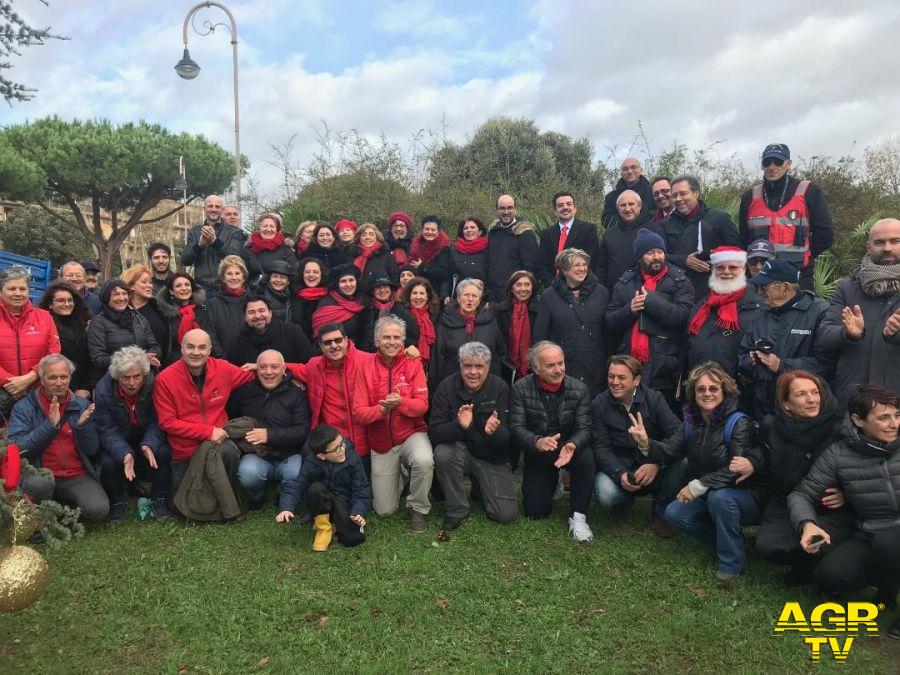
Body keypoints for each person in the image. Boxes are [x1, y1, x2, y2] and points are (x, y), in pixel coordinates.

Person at [635, 362, 764, 586]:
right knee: (674, 513)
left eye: (713, 388)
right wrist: (646, 444)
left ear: (724, 391)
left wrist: (698, 485)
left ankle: (731, 564)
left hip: (746, 495)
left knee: (720, 498)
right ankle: (732, 541)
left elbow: (735, 472)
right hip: (710, 492)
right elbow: (670, 451)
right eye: (701, 389)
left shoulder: (739, 423)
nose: (707, 394)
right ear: (693, 393)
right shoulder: (690, 423)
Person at [788, 384, 900, 638]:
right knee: (830, 575)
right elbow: (801, 494)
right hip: (871, 533)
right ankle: (888, 585)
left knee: (890, 543)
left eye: (897, 415)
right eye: (883, 417)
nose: (894, 423)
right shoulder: (839, 453)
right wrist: (807, 523)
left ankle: (888, 592)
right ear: (858, 420)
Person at [753, 371, 852, 585]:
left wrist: (847, 494)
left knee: (821, 544)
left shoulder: (839, 430)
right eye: (801, 394)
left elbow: (861, 469)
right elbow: (763, 452)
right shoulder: (771, 426)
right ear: (786, 404)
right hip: (785, 501)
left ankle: (821, 565)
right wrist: (751, 461)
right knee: (767, 547)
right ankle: (804, 560)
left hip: (828, 506)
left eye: (815, 392)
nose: (811, 399)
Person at [351, 316, 433, 532]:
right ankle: (404, 473)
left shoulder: (413, 362)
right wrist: (382, 409)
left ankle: (418, 509)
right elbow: (359, 413)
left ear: (403, 340)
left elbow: (422, 406)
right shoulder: (364, 365)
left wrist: (400, 403)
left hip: (411, 434)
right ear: (377, 340)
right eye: (386, 337)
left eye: (397, 337)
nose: (391, 342)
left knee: (424, 459)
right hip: (380, 442)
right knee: (384, 511)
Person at [509, 341, 594, 541]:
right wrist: (536, 441)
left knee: (586, 457)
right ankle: (554, 482)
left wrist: (573, 444)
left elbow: (585, 428)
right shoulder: (520, 388)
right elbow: (516, 428)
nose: (558, 370)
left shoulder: (579, 388)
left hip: (569, 449)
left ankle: (578, 516)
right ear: (535, 368)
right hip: (540, 452)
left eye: (560, 363)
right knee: (535, 512)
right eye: (550, 365)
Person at [591, 356, 683, 537]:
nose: (614, 382)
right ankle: (624, 500)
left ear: (637, 380)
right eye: (611, 376)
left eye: (621, 377)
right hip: (622, 465)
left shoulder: (654, 399)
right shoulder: (599, 404)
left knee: (684, 463)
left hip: (653, 463)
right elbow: (601, 447)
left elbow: (678, 436)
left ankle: (661, 512)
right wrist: (619, 474)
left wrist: (657, 462)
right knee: (606, 493)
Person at [152, 329, 254, 492]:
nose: (196, 352)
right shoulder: (165, 379)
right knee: (185, 504)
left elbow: (261, 375)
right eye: (190, 347)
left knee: (230, 451)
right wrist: (208, 432)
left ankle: (229, 493)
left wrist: (264, 367)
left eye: (202, 347)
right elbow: (167, 423)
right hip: (185, 448)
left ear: (209, 349)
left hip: (218, 443)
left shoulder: (223, 369)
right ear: (182, 348)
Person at [8, 354, 107, 522]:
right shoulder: (24, 407)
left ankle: (58, 509)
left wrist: (83, 427)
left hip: (75, 474)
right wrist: (49, 426)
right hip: (40, 473)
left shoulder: (81, 404)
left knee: (99, 509)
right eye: (52, 377)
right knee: (39, 484)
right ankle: (38, 518)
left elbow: (92, 449)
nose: (59, 382)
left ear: (70, 378)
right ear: (42, 379)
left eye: (64, 377)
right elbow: (18, 449)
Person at [430, 342, 517, 531]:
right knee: (443, 452)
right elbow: (434, 433)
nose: (473, 372)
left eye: (479, 366)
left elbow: (507, 438)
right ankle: (457, 509)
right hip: (461, 454)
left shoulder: (500, 387)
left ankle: (480, 487)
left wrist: (493, 431)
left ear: (488, 366)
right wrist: (459, 425)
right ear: (459, 364)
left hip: (492, 457)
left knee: (505, 515)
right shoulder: (445, 387)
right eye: (467, 366)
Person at [605, 228, 694, 413]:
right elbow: (610, 322)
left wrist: (651, 301)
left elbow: (683, 317)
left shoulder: (680, 281)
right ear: (639, 256)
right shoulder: (625, 282)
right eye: (650, 252)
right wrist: (630, 310)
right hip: (631, 365)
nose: (656, 257)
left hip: (666, 366)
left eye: (660, 252)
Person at [819, 218, 900, 407]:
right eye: (879, 242)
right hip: (853, 399)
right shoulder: (847, 287)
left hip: (895, 401)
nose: (887, 248)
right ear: (869, 246)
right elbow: (824, 336)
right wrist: (847, 333)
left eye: (895, 241)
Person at [740, 259, 831, 419]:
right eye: (758, 287)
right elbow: (742, 357)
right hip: (763, 410)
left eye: (764, 287)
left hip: (802, 413)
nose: (760, 292)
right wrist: (751, 360)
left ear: (785, 288)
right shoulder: (760, 314)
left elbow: (826, 364)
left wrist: (781, 365)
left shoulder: (820, 313)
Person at [739, 143, 834, 290]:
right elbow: (743, 239)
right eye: (767, 162)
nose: (772, 167)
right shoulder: (749, 197)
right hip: (760, 275)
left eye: (778, 161)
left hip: (797, 275)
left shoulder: (809, 191)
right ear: (762, 166)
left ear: (788, 164)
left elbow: (826, 234)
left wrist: (806, 257)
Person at [94, 346, 172, 523]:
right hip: (119, 434)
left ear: (144, 373)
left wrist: (148, 444)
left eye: (136, 377)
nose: (132, 383)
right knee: (109, 461)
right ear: (116, 376)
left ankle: (159, 498)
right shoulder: (103, 389)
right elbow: (106, 428)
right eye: (125, 378)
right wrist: (125, 453)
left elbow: (159, 419)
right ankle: (117, 501)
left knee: (163, 452)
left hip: (147, 431)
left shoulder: (156, 383)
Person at [228, 349, 310, 509]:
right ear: (256, 369)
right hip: (257, 455)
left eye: (274, 367)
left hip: (289, 454)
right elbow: (231, 420)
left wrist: (269, 435)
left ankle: (284, 495)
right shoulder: (245, 391)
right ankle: (256, 497)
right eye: (263, 367)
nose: (268, 372)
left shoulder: (297, 392)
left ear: (284, 369)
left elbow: (303, 430)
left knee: (296, 473)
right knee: (248, 473)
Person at [284, 323, 370, 473]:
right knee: (309, 455)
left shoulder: (366, 361)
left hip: (363, 435)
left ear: (346, 340)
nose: (334, 346)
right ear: (321, 346)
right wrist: (259, 366)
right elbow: (294, 368)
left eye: (338, 340)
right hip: (330, 434)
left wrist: (408, 352)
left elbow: (391, 361)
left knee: (360, 482)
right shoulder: (314, 366)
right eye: (327, 342)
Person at [276, 425, 370, 551]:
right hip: (320, 501)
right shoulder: (311, 462)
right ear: (321, 456)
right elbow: (297, 485)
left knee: (353, 539)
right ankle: (323, 528)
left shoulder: (353, 459)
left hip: (342, 503)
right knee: (316, 488)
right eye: (336, 449)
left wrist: (358, 512)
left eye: (342, 443)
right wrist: (286, 508)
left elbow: (361, 489)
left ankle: (335, 525)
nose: (342, 449)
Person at [534, 248, 609, 397]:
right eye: (576, 265)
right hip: (563, 368)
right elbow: (540, 335)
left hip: (594, 367)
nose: (582, 269)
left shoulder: (601, 292)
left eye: (584, 264)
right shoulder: (549, 296)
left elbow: (609, 331)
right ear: (564, 270)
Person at [662, 175, 743, 300]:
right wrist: (684, 261)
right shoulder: (665, 225)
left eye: (683, 193)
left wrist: (718, 261)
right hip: (679, 293)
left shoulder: (720, 218)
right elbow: (660, 256)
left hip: (715, 291)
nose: (678, 199)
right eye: (674, 195)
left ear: (696, 193)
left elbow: (737, 252)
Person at [686, 246, 761, 376]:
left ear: (743, 269)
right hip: (701, 387)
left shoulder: (759, 307)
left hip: (740, 388)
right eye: (720, 267)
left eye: (733, 267)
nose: (726, 272)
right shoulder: (701, 307)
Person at [0, 266, 60, 419]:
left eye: (23, 288)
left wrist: (30, 377)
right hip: (3, 392)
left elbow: (53, 351)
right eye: (12, 288)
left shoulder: (44, 317)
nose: (18, 293)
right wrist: (10, 383)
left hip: (38, 389)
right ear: (1, 291)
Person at [429, 279, 503, 389]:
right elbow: (437, 358)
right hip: (452, 385)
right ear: (458, 298)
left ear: (479, 300)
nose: (470, 299)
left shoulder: (490, 322)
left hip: (486, 385)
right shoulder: (445, 322)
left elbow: (500, 354)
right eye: (466, 295)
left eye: (474, 296)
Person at [87, 279, 161, 384]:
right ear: (107, 298)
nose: (121, 298)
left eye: (124, 293)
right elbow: (98, 358)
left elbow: (154, 346)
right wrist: (137, 360)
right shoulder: (98, 322)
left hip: (142, 380)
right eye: (116, 294)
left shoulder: (138, 318)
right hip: (112, 382)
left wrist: (150, 356)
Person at [596, 189, 662, 291]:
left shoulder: (654, 230)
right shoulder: (609, 234)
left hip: (647, 292)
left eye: (631, 204)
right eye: (623, 205)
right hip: (614, 293)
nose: (627, 209)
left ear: (640, 206)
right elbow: (601, 267)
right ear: (617, 209)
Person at [181, 194, 247, 293]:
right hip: (201, 289)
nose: (214, 209)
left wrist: (215, 241)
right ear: (204, 208)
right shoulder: (195, 231)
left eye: (217, 207)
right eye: (210, 206)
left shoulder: (234, 232)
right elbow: (185, 260)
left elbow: (236, 257)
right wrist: (199, 245)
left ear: (222, 210)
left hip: (225, 288)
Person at [38, 282, 91, 398]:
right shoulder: (42, 325)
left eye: (70, 300)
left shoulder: (81, 325)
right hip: (53, 388)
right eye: (61, 300)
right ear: (50, 304)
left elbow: (87, 360)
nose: (67, 304)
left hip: (79, 389)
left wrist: (85, 387)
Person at [537, 192, 600, 288]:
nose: (565, 207)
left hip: (580, 289)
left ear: (575, 209)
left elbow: (592, 261)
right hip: (554, 288)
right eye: (560, 205)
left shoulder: (588, 230)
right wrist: (552, 285)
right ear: (555, 211)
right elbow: (542, 264)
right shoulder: (546, 234)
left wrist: (579, 286)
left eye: (569, 204)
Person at [226, 296, 313, 366]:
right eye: (251, 312)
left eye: (261, 310)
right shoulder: (237, 343)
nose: (257, 316)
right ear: (245, 317)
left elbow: (309, 364)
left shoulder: (293, 332)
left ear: (270, 313)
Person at [487, 195, 540, 304]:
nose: (506, 212)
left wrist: (523, 293)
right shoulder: (493, 232)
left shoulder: (525, 234)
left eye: (510, 208)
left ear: (515, 209)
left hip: (516, 295)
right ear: (497, 210)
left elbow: (531, 269)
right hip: (494, 295)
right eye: (502, 208)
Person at [122, 264, 175, 366]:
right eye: (144, 282)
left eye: (150, 282)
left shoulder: (159, 307)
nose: (150, 285)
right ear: (131, 286)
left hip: (164, 366)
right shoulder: (124, 313)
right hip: (138, 369)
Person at [155, 272, 211, 364]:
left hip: (204, 360)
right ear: (171, 291)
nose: (184, 288)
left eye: (187, 284)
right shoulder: (165, 314)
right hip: (175, 363)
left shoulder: (203, 310)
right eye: (178, 286)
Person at [494, 270, 538, 383]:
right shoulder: (500, 311)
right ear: (512, 289)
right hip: (506, 364)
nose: (523, 289)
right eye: (518, 285)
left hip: (534, 365)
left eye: (527, 285)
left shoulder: (540, 310)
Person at [311, 263, 368, 347]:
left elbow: (367, 334)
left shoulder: (362, 301)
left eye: (351, 280)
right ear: (337, 285)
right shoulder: (326, 305)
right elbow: (321, 339)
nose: (348, 285)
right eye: (343, 281)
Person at [205, 255, 250, 357]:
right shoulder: (212, 304)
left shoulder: (253, 301)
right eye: (229, 274)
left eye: (237, 273)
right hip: (223, 363)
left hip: (251, 362)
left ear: (243, 277)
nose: (234, 277)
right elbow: (210, 335)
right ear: (223, 278)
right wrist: (221, 359)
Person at [361, 275, 418, 349]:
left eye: (385, 286)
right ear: (372, 291)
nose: (382, 290)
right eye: (378, 287)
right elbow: (363, 338)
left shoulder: (401, 309)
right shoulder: (366, 312)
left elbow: (413, 334)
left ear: (391, 289)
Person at [242, 212, 295, 284]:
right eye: (265, 226)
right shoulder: (248, 250)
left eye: (272, 226)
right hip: (254, 292)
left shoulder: (286, 250)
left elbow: (293, 274)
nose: (268, 229)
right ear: (259, 228)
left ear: (277, 229)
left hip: (279, 291)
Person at [602, 157, 656, 228]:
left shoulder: (653, 192)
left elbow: (658, 214)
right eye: (625, 169)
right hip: (621, 235)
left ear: (641, 170)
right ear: (621, 173)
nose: (629, 171)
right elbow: (608, 220)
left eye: (633, 167)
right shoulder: (611, 197)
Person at [400, 277, 439, 371]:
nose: (418, 297)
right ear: (409, 295)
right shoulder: (400, 314)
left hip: (429, 369)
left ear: (428, 296)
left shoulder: (436, 316)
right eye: (414, 293)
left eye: (422, 293)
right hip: (405, 366)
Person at [409, 215, 451, 297]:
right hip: (416, 290)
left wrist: (422, 267)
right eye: (427, 229)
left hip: (434, 292)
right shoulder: (415, 245)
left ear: (438, 231)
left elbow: (443, 273)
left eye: (433, 230)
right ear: (422, 230)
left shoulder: (444, 248)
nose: (429, 232)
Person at [447, 218, 490, 298]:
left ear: (480, 232)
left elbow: (493, 277)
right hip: (459, 299)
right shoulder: (454, 252)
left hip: (483, 299)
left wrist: (490, 299)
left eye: (472, 227)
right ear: (462, 232)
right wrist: (445, 295)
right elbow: (448, 276)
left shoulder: (489, 251)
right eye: (466, 228)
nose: (469, 230)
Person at [292, 256, 329, 340]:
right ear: (302, 274)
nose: (311, 275)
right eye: (307, 272)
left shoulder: (330, 296)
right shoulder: (293, 295)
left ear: (321, 275)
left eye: (315, 272)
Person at [257, 260, 302, 324]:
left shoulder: (294, 298)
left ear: (288, 282)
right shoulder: (260, 296)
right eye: (275, 276)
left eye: (282, 277)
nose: (278, 280)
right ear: (270, 279)